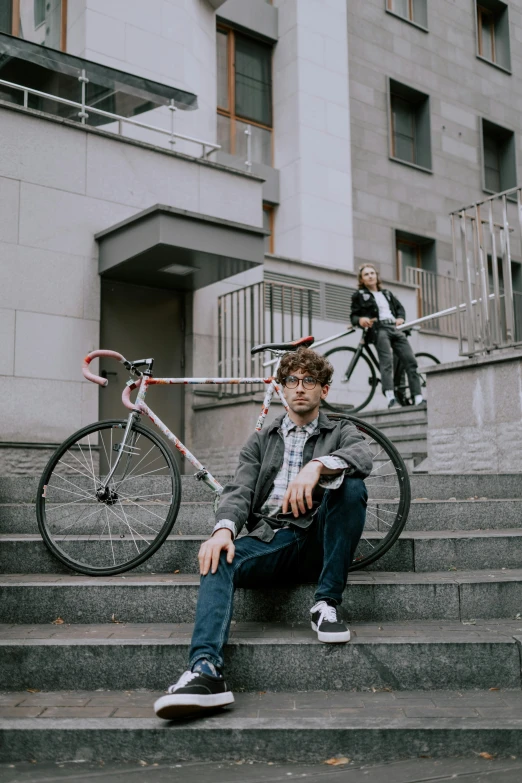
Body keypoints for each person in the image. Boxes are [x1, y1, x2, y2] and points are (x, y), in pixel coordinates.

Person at [154, 347, 373, 721]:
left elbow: (362, 457)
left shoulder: (340, 430)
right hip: (275, 539)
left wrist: (318, 466)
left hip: (321, 536)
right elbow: (238, 490)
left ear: (324, 390)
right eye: (292, 380)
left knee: (351, 487)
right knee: (217, 554)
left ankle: (326, 604)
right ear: (281, 388)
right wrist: (223, 530)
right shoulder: (262, 438)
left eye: (309, 380)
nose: (300, 387)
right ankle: (206, 671)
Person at [350, 263, 425, 408]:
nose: (370, 276)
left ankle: (418, 397)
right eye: (366, 274)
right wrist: (360, 320)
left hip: (395, 328)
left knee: (411, 361)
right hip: (379, 329)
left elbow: (400, 309)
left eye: (372, 273)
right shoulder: (359, 295)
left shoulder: (387, 294)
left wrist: (401, 318)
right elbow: (353, 316)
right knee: (386, 363)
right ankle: (391, 398)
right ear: (362, 279)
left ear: (376, 276)